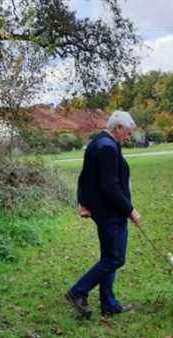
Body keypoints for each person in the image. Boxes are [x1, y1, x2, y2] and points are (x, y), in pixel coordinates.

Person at [66, 111, 142, 318]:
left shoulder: (99, 142)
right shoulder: (106, 147)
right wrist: (130, 210)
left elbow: (84, 177)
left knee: (109, 256)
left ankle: (109, 303)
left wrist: (83, 202)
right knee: (115, 258)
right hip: (110, 213)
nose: (128, 137)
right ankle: (77, 291)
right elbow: (110, 186)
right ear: (117, 128)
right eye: (127, 133)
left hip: (106, 211)